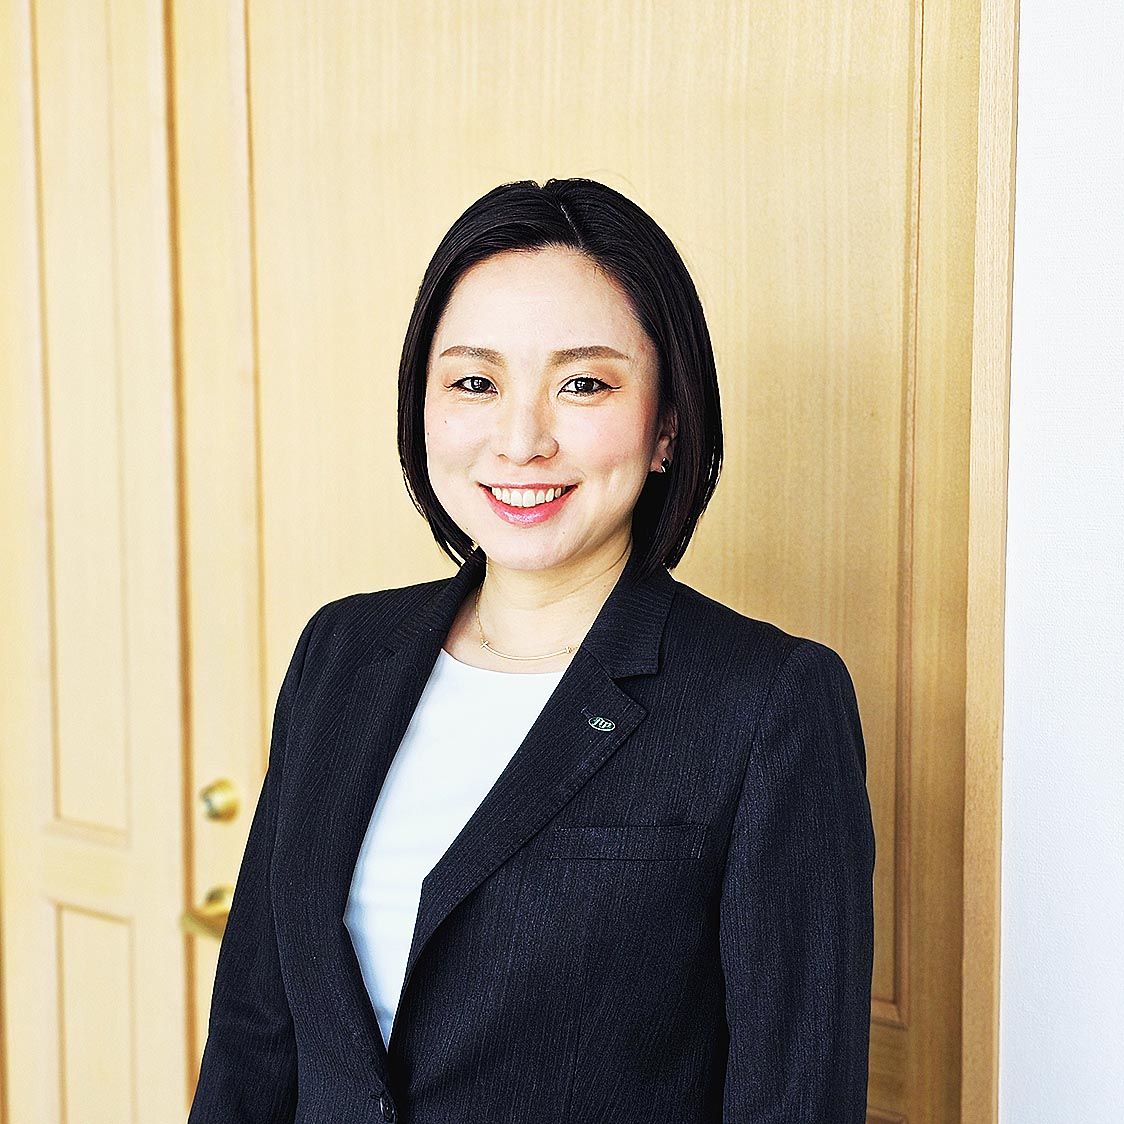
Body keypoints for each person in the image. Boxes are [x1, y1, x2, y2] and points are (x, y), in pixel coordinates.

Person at [188, 177, 876, 1124]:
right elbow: (255, 1033)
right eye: (475, 382)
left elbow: (793, 1097)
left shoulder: (767, 702)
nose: (521, 441)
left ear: (667, 423)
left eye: (583, 383)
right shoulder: (342, 652)